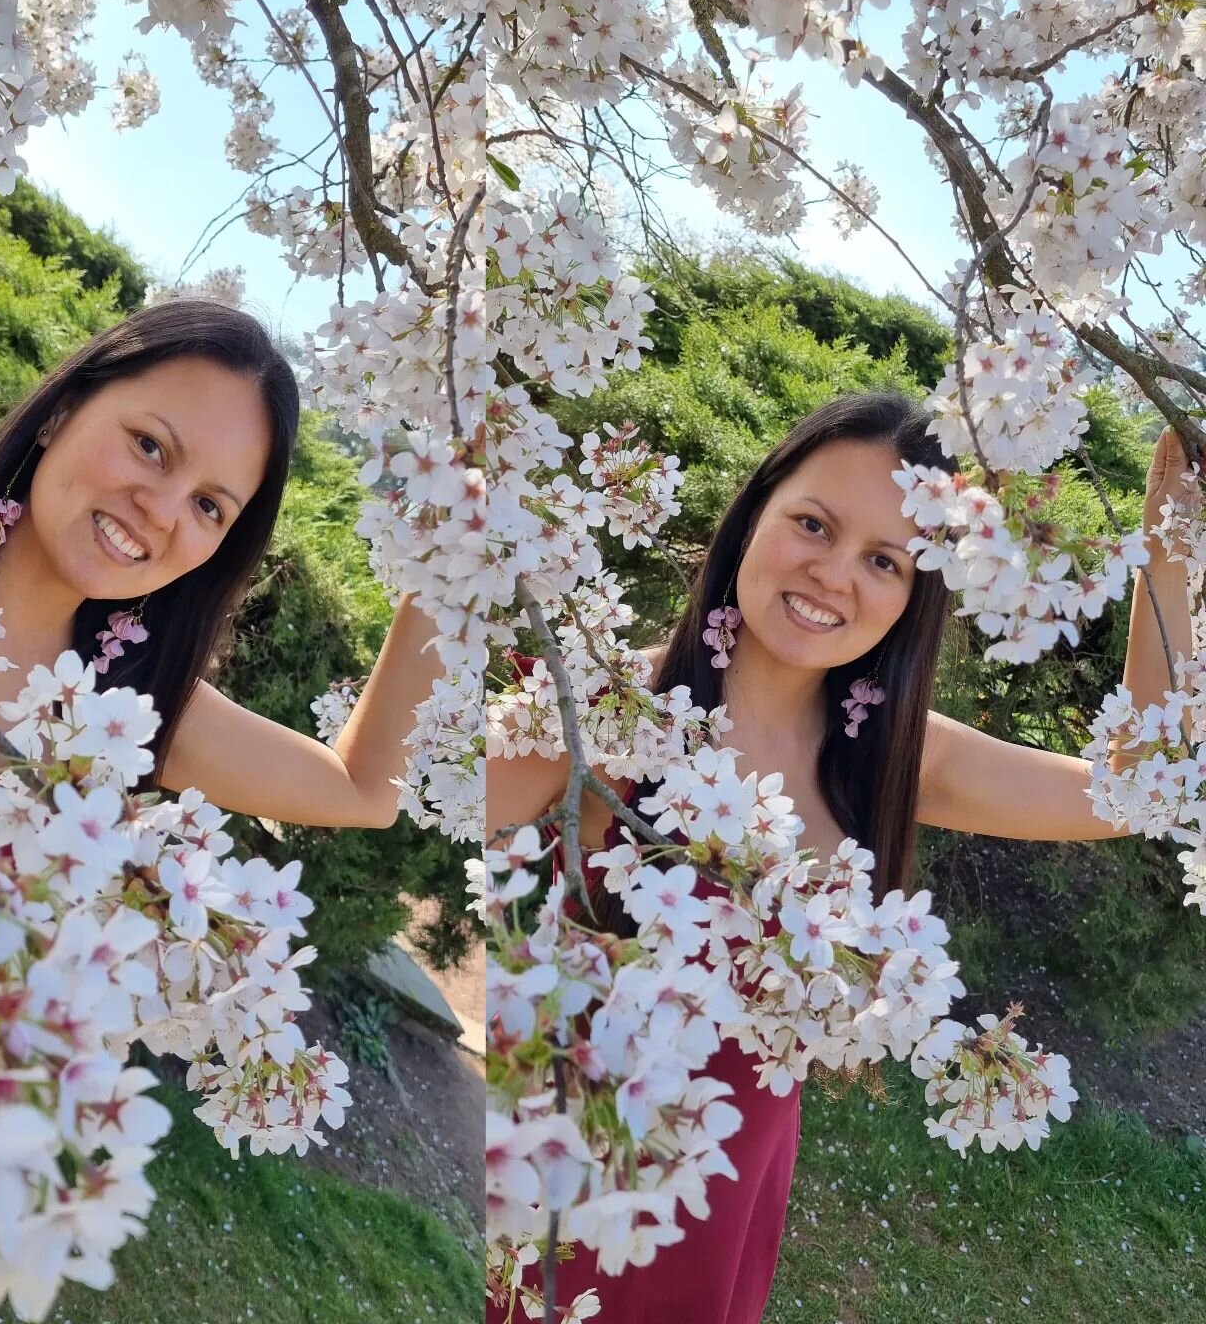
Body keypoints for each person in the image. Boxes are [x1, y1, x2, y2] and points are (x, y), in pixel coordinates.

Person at [0, 298, 448, 1323]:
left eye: (213, 506)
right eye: (150, 445)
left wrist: (449, 557)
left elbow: (362, 791)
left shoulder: (133, 712)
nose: (163, 510)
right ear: (62, 410)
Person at [485, 390, 1197, 1324]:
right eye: (813, 524)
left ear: (917, 591)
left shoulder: (898, 756)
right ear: (755, 514)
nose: (833, 577)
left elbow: (1142, 788)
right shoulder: (601, 714)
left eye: (885, 561)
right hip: (555, 1184)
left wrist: (1172, 511)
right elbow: (422, 814)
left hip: (723, 1193)